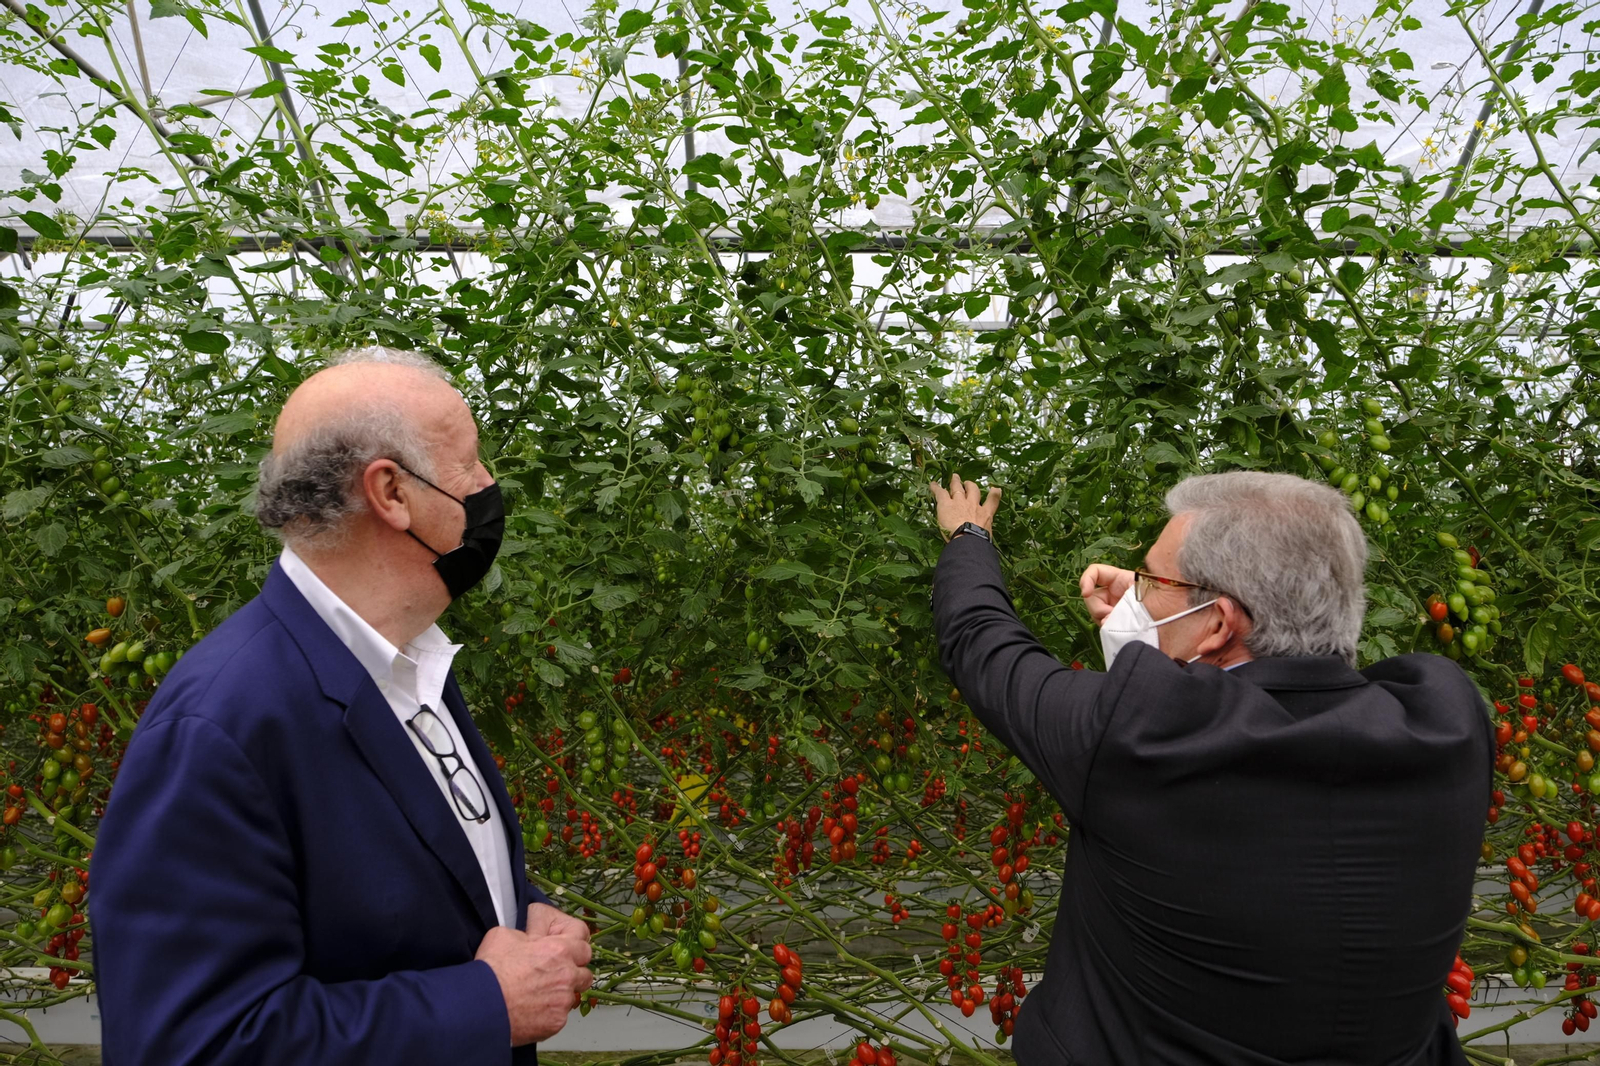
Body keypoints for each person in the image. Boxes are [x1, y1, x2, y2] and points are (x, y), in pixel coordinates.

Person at [91, 348, 593, 1065]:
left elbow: (386, 882)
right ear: (391, 493)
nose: (488, 486)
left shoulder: (406, 664)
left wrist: (519, 912)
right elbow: (189, 1046)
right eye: (471, 463)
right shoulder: (221, 727)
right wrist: (483, 1003)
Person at [929, 470, 1490, 1065]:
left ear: (1220, 624)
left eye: (1152, 579)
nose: (1138, 595)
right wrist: (1164, 605)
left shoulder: (1141, 735)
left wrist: (969, 535)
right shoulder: (1448, 726)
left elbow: (983, 644)